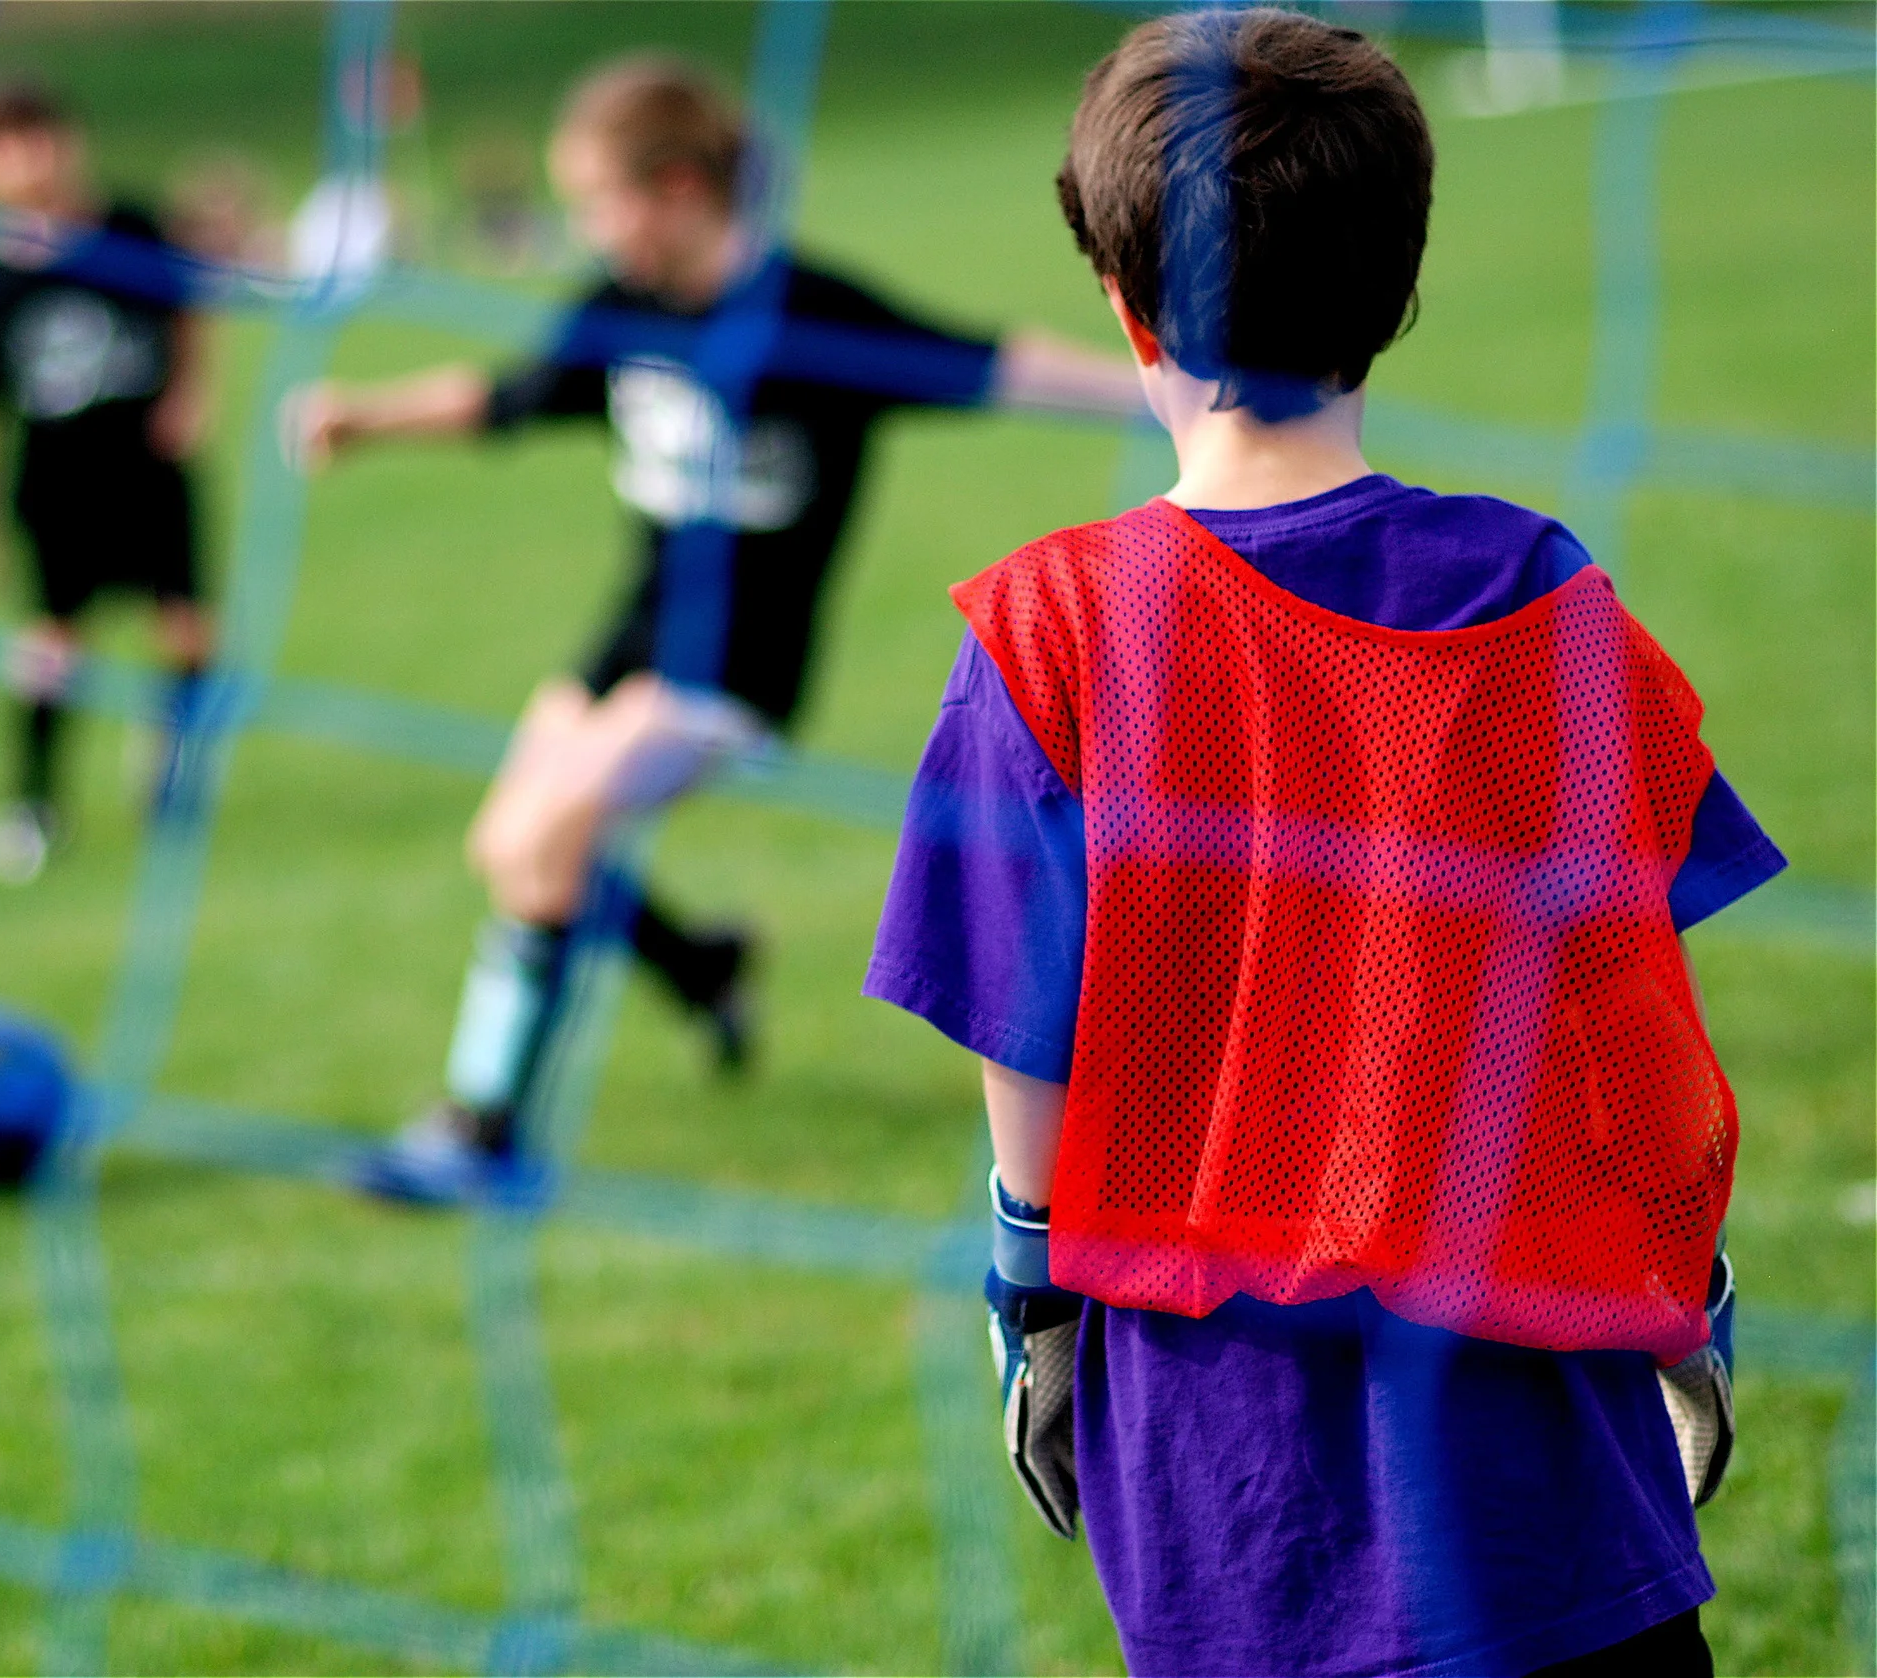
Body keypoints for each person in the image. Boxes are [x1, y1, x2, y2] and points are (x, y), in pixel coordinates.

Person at [867, 11, 1783, 1675]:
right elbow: (1636, 1006)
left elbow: (1026, 1037)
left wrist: (1032, 1291)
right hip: (1541, 1448)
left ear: (1126, 306)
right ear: (1399, 294)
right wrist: (1690, 1293)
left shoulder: (1048, 631)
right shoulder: (1542, 593)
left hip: (1229, 1480)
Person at [292, 55, 1143, 1203]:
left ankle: (479, 1132)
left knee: (548, 845)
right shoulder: (619, 306)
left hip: (734, 665)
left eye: (600, 200)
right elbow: (506, 397)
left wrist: (1166, 389)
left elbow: (996, 364)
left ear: (682, 189)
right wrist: (365, 417)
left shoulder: (810, 313)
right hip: (624, 639)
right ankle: (705, 968)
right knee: (511, 850)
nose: (586, 228)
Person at [0, 83, 219, 885]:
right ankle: (35, 802)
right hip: (57, 488)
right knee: (55, 648)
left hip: (153, 474)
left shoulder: (130, 230)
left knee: (190, 633)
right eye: (2, 147)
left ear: (71, 141)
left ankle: (172, 768)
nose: (28, 159)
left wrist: (192, 395)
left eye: (40, 137)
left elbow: (191, 305)